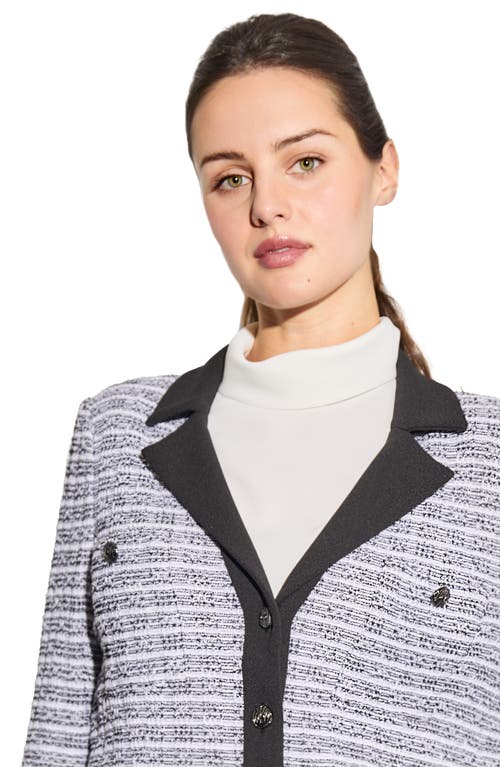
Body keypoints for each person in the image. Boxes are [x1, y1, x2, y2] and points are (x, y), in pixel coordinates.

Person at [21, 12, 499, 767]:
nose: (266, 205)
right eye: (230, 177)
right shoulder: (117, 436)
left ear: (384, 169)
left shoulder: (489, 465)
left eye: (304, 161)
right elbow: (55, 736)